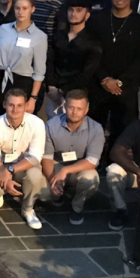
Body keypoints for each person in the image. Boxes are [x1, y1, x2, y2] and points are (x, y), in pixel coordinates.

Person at [87, 0, 140, 143]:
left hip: (125, 88)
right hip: (98, 85)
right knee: (93, 128)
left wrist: (120, 82)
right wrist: (104, 79)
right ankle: (93, 162)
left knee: (122, 132)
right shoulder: (97, 20)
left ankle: (115, 164)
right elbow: (90, 53)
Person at [0, 88, 47, 230]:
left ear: (26, 106)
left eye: (20, 105)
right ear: (4, 105)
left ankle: (28, 209)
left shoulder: (37, 124)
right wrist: (5, 179)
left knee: (35, 174)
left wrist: (10, 170)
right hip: (1, 164)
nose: (15, 109)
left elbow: (36, 157)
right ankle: (0, 192)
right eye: (11, 105)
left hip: (23, 164)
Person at [40, 90, 103, 226]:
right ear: (65, 107)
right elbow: (46, 157)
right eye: (71, 107)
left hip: (80, 167)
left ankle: (77, 207)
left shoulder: (96, 129)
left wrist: (66, 170)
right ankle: (58, 196)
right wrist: (52, 178)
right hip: (57, 163)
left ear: (86, 110)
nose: (74, 112)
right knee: (43, 191)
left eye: (79, 108)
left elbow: (92, 161)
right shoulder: (51, 125)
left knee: (90, 179)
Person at [0, 0, 49, 115]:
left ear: (32, 9)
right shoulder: (3, 29)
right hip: (1, 80)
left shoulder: (40, 36)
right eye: (17, 8)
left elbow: (39, 71)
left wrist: (33, 98)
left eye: (25, 8)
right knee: (1, 118)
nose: (21, 12)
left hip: (23, 83)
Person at [45, 0, 102, 117]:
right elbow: (50, 61)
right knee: (51, 126)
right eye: (71, 10)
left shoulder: (93, 41)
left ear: (87, 15)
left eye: (79, 10)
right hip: (53, 90)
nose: (73, 14)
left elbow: (87, 72)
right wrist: (51, 86)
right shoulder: (59, 35)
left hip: (76, 93)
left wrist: (63, 90)